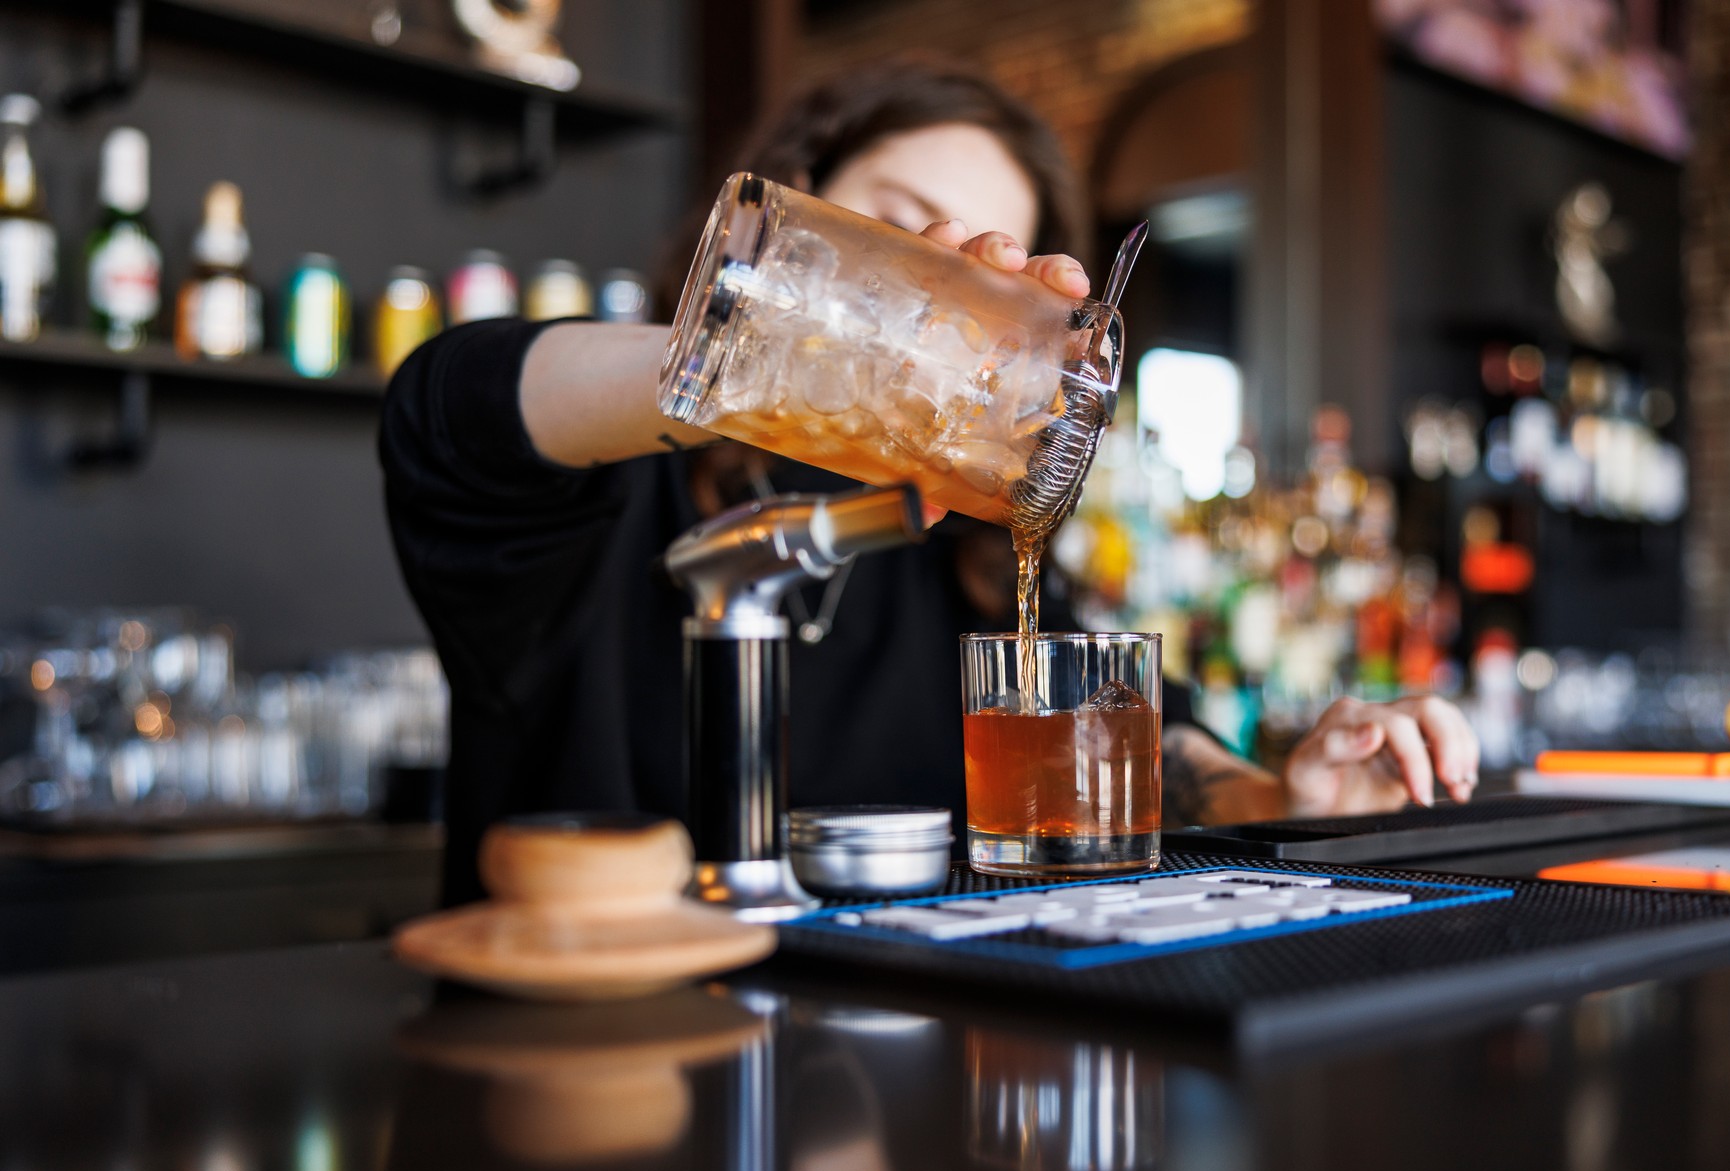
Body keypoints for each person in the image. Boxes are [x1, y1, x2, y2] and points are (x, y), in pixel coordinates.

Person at [381, 59, 1479, 906]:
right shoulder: (608, 502)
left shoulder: (968, 566)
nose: (933, 295)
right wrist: (780, 330)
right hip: (575, 1108)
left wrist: (1288, 795)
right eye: (900, 227)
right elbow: (447, 414)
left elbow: (1138, 743)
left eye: (971, 276)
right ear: (803, 198)